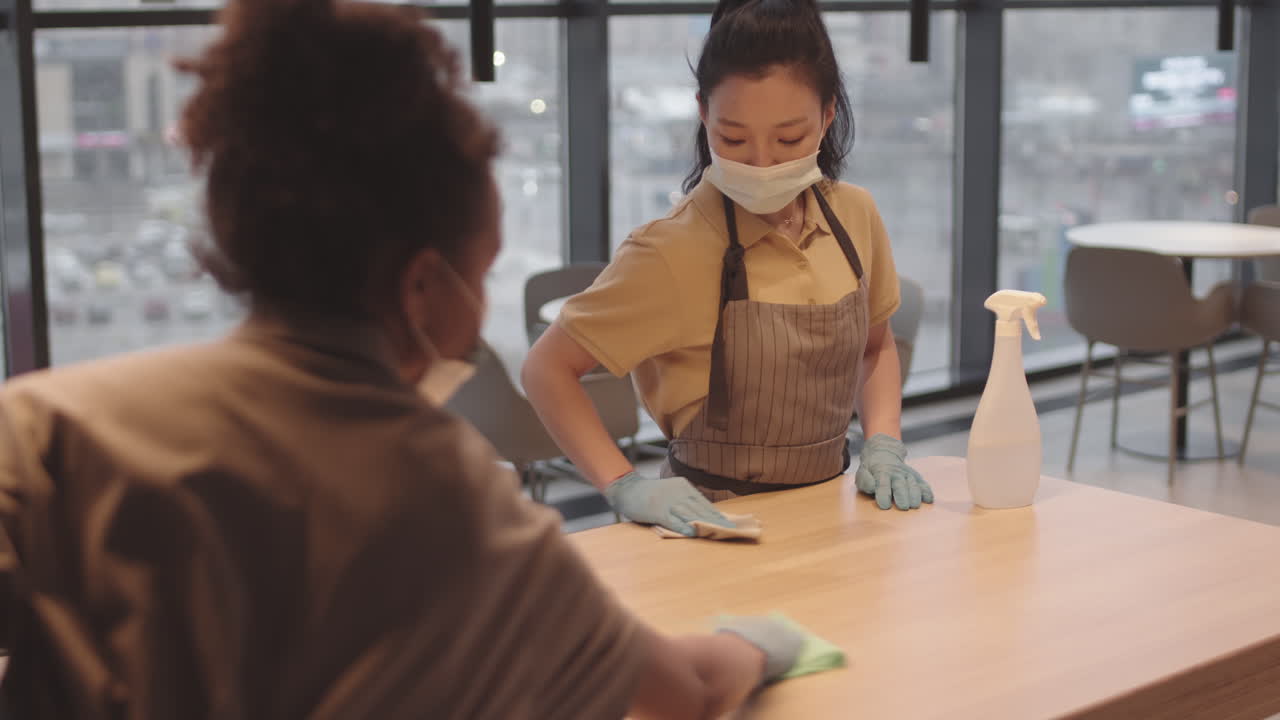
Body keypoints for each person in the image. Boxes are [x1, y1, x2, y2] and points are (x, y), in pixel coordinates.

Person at [0, 1, 803, 717]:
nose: (482, 310)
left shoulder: (41, 426)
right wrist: (756, 645)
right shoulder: (457, 503)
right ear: (422, 286)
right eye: (482, 273)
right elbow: (684, 693)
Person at [523, 0, 933, 536]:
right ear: (702, 114)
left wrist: (882, 444)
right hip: (715, 528)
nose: (760, 163)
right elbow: (546, 370)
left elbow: (874, 347)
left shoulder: (854, 215)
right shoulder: (671, 249)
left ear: (828, 115)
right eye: (733, 139)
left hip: (832, 519)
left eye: (790, 139)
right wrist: (624, 485)